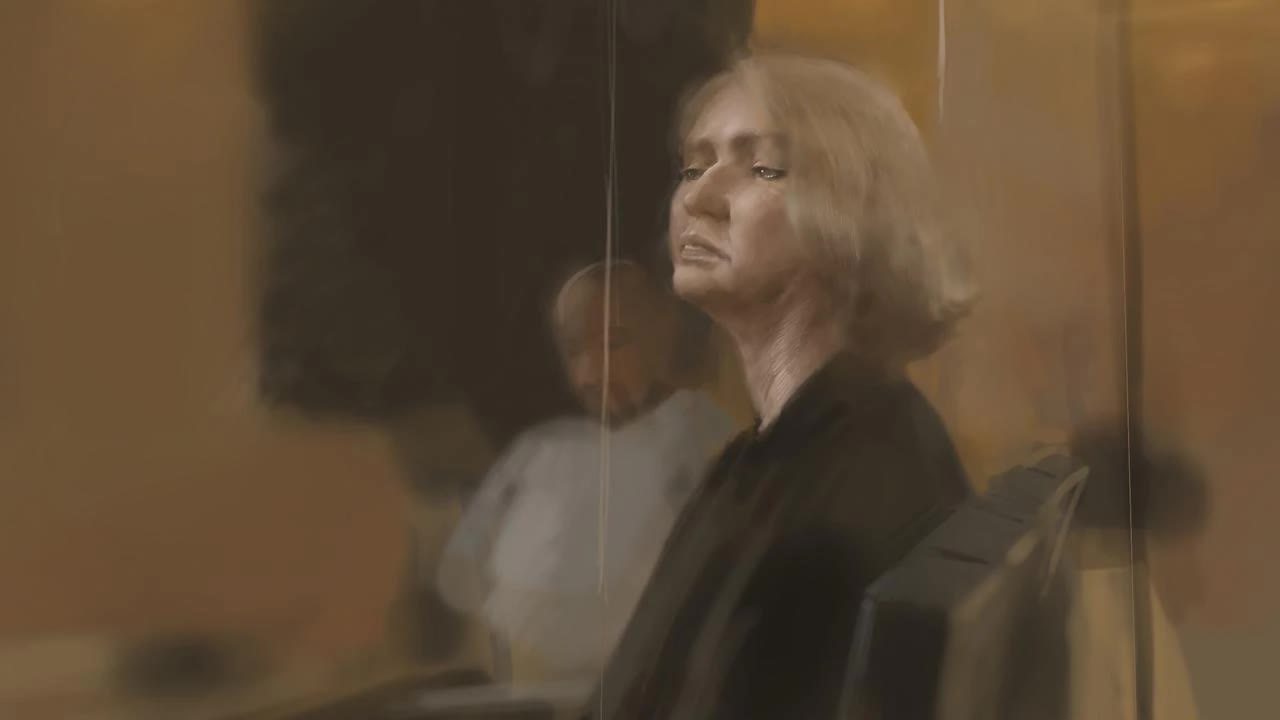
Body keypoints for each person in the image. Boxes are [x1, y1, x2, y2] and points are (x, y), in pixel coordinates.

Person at [584, 52, 977, 719]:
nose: (698, 198)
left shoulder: (864, 480)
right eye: (694, 165)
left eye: (761, 167)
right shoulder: (763, 460)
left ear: (853, 214)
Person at [436, 260, 735, 682]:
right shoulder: (540, 449)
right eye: (575, 351)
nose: (592, 372)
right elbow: (459, 569)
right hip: (523, 688)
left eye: (615, 343)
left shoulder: (694, 427)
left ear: (663, 335)